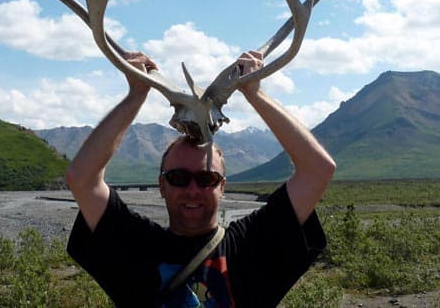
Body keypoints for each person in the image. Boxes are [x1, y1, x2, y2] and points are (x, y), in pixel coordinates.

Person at [66, 50, 336, 307]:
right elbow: (82, 179)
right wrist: (136, 95)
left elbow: (317, 170)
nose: (193, 189)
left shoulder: (251, 247)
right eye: (178, 177)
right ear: (161, 185)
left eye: (207, 178)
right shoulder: (137, 248)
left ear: (222, 186)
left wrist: (255, 93)